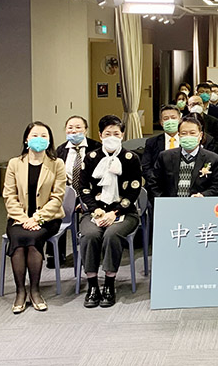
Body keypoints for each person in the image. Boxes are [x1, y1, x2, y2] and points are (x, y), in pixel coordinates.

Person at [79, 115, 143, 308]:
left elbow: (134, 189)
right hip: (95, 212)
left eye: (116, 133)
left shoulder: (131, 158)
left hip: (124, 212)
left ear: (122, 135)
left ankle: (109, 283)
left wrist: (114, 212)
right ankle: (92, 285)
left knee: (111, 235)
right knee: (90, 235)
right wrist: (96, 210)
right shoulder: (91, 158)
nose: (112, 137)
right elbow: (84, 189)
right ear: (100, 135)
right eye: (108, 134)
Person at [3, 121, 65, 313]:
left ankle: (35, 291)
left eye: (44, 136)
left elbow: (57, 197)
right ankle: (20, 291)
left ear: (50, 140)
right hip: (19, 218)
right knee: (19, 240)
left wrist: (37, 218)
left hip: (48, 218)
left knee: (32, 239)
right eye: (35, 135)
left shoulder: (57, 164)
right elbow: (9, 196)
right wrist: (24, 219)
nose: (39, 139)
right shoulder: (14, 163)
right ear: (26, 139)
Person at [51, 115, 99, 268]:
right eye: (70, 127)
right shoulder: (60, 150)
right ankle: (55, 255)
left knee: (90, 219)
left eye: (78, 127)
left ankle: (89, 254)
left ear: (86, 130)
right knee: (56, 211)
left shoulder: (96, 147)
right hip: (67, 193)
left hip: (91, 193)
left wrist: (85, 199)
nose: (74, 131)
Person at [147, 115, 218, 201]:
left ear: (200, 135)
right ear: (179, 135)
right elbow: (153, 183)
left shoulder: (213, 159)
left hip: (199, 204)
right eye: (184, 133)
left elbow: (217, 186)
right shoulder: (165, 157)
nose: (188, 136)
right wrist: (163, 201)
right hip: (170, 204)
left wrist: (203, 195)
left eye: (192, 133)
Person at [141, 105, 183, 184]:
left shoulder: (187, 140)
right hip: (157, 184)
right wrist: (156, 180)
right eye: (166, 118)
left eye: (173, 118)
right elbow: (146, 167)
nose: (170, 121)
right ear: (161, 122)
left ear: (180, 120)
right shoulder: (152, 142)